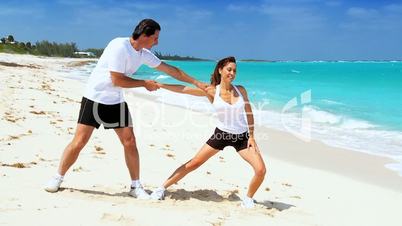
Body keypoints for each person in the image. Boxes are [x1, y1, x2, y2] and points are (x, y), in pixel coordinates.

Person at [44, 19, 207, 199]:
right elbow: (117, 80)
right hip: (95, 98)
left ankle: (135, 186)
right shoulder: (119, 46)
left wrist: (197, 82)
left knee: (129, 142)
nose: (157, 42)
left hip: (116, 100)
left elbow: (171, 70)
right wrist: (144, 84)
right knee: (80, 141)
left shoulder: (143, 53)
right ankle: (58, 177)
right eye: (155, 38)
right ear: (144, 35)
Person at [150, 56, 266, 208]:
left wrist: (251, 136)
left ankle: (248, 198)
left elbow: (249, 112)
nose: (232, 73)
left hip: (242, 137)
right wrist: (161, 85)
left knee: (261, 169)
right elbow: (184, 90)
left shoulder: (241, 90)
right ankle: (162, 188)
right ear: (220, 70)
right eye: (229, 69)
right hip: (221, 134)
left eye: (234, 71)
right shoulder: (212, 91)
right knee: (194, 163)